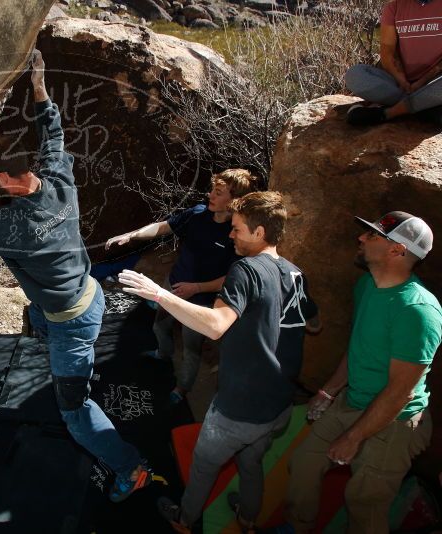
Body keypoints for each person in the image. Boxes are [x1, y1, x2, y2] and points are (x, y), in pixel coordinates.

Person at [0, 50, 150, 502]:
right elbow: (52, 131)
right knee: (37, 311)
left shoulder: (11, 225)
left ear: (9, 179)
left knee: (74, 412)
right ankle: (50, 347)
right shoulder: (57, 175)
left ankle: (131, 467)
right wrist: (39, 82)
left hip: (72, 323)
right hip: (86, 291)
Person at [119, 191, 321, 533]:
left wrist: (159, 294)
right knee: (251, 462)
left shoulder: (245, 270)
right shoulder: (294, 273)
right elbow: (313, 323)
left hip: (239, 407)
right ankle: (248, 518)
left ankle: (184, 520)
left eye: (238, 229)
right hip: (279, 404)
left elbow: (214, 326)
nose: (231, 235)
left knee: (203, 466)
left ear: (259, 233)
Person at [283, 211, 441, 534]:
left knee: (364, 504)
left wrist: (353, 437)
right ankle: (297, 527)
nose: (361, 238)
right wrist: (328, 391)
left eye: (373, 235)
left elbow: (400, 392)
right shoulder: (366, 286)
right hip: (353, 401)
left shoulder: (417, 311)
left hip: (395, 421)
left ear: (397, 250)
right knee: (303, 464)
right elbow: (359, 349)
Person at [105, 169, 257, 405]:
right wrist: (133, 234)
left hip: (201, 299)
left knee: (191, 347)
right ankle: (163, 354)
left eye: (217, 193)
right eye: (212, 190)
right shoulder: (197, 214)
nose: (210, 195)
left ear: (233, 200)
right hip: (173, 284)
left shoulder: (235, 235)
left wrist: (196, 288)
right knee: (160, 325)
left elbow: (231, 277)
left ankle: (182, 388)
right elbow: (165, 226)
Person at [345, 0, 442, 126]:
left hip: (434, 80)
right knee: (355, 75)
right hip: (399, 84)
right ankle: (424, 107)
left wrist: (422, 82)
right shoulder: (394, 7)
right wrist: (402, 80)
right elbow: (388, 50)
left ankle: (390, 112)